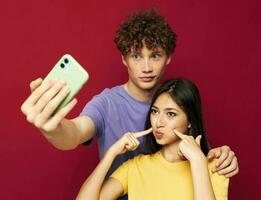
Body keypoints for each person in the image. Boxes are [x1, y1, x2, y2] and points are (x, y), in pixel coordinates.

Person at [20, 9, 238, 198]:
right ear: (124, 58)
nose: (146, 67)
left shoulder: (180, 102)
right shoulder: (107, 104)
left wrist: (220, 157)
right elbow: (74, 132)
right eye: (136, 55)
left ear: (168, 57)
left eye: (155, 55)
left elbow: (201, 153)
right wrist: (51, 127)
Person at [76, 78, 229, 200]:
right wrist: (111, 153)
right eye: (155, 112)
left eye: (171, 114)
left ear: (190, 120)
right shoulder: (135, 167)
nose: (158, 122)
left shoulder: (214, 167)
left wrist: (198, 162)